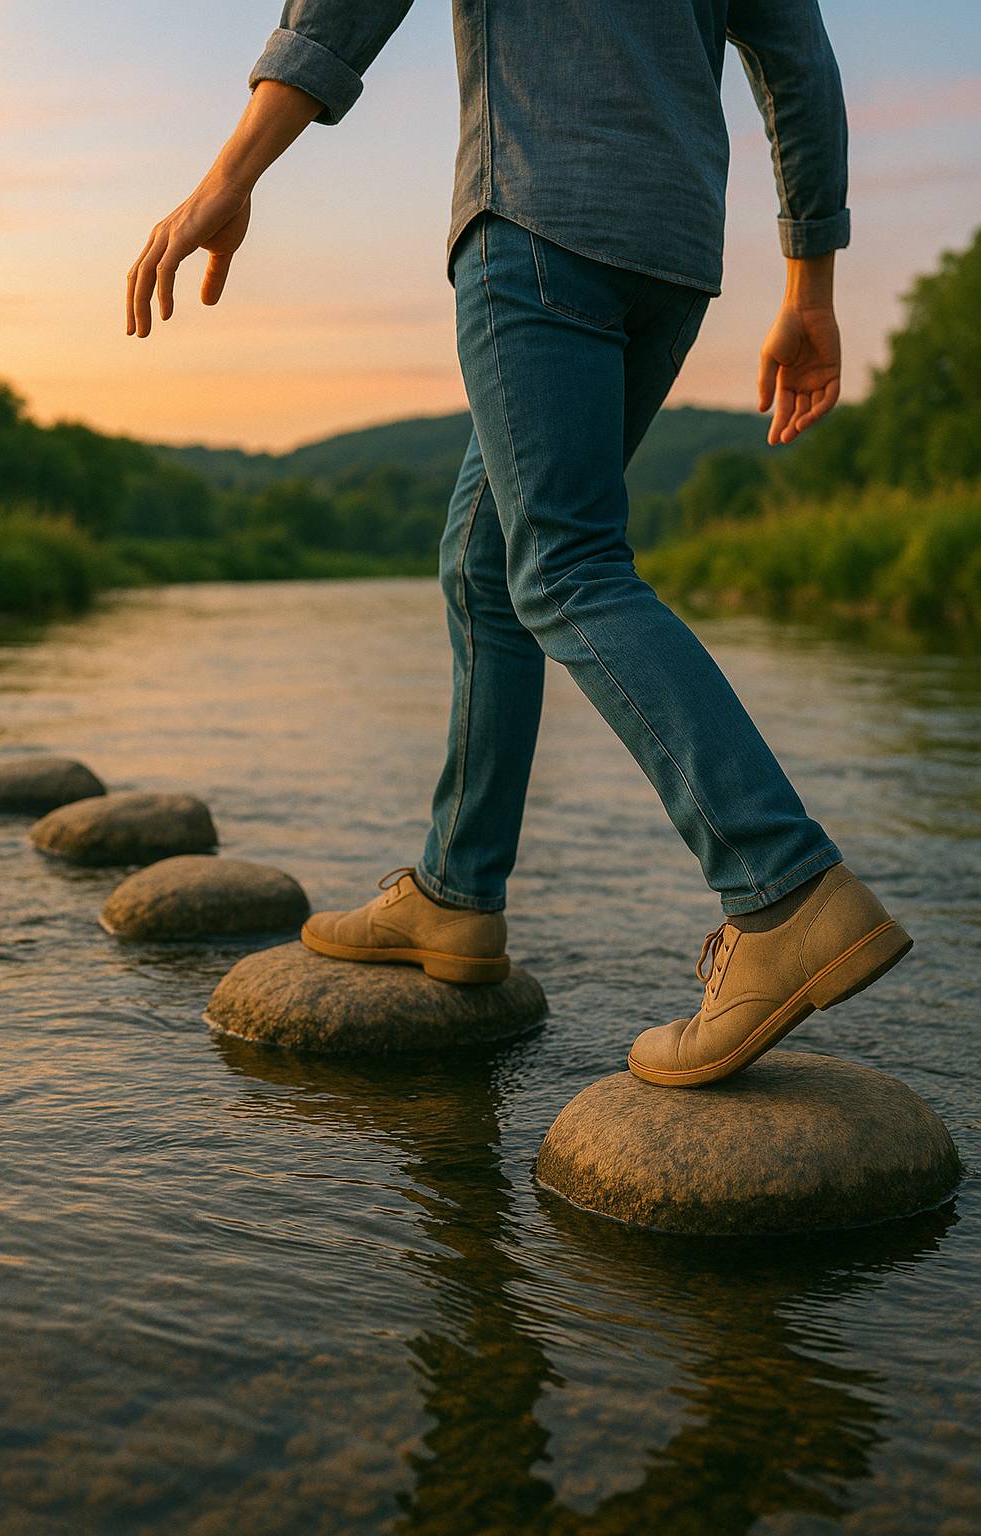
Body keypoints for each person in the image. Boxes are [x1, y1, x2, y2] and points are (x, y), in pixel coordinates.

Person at [127, 2, 912, 1087]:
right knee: (484, 561)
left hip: (535, 216)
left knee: (564, 566)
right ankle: (456, 894)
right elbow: (796, 59)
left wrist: (232, 171)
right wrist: (809, 286)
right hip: (672, 251)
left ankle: (783, 889)